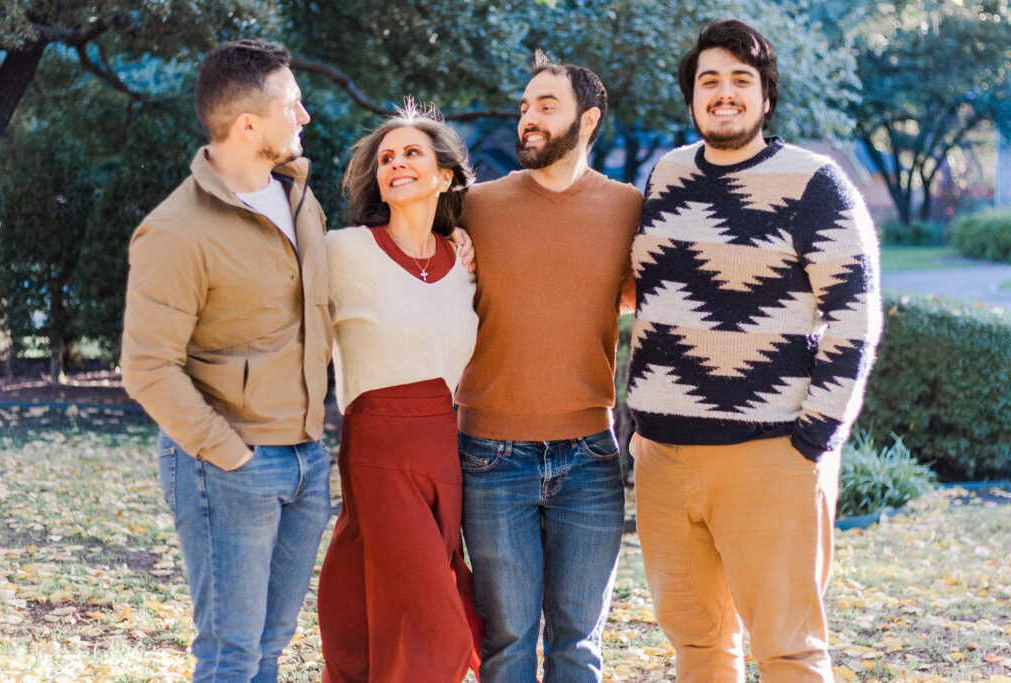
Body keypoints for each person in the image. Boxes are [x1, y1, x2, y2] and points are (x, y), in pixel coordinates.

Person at [628, 19, 882, 682]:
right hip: (664, 459)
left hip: (770, 457)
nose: (725, 93)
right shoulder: (667, 175)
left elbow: (853, 317)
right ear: (691, 99)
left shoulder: (814, 182)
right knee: (699, 647)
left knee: (789, 652)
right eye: (709, 80)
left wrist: (815, 438)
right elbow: (647, 292)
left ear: (766, 97)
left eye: (742, 80)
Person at [121, 39, 335, 681]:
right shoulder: (176, 231)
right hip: (230, 463)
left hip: (306, 458)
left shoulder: (300, 200)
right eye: (292, 105)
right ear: (248, 124)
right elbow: (147, 367)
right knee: (230, 654)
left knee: (269, 647)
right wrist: (229, 454)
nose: (304, 117)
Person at [455, 52, 643, 681]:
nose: (528, 119)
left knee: (578, 644)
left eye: (546, 106)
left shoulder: (628, 209)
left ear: (588, 119)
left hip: (589, 456)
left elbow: (666, 300)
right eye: (524, 107)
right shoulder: (475, 207)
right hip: (489, 457)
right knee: (507, 642)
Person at [316, 104, 482, 683]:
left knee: (380, 617)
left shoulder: (466, 261)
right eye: (386, 158)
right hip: (377, 448)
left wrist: (464, 238)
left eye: (413, 153)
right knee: (438, 627)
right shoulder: (342, 251)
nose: (397, 164)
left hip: (445, 450)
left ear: (445, 175)